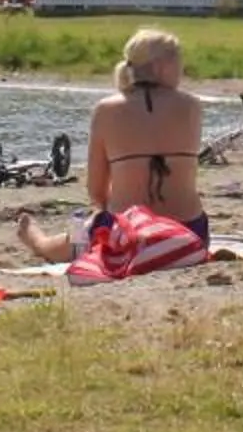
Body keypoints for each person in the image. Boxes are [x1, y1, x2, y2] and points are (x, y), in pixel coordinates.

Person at [18, 28, 209, 261]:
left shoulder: (106, 110)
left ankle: (37, 240)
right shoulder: (192, 107)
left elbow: (96, 191)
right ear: (162, 66)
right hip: (190, 232)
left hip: (127, 235)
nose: (182, 69)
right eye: (179, 62)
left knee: (69, 239)